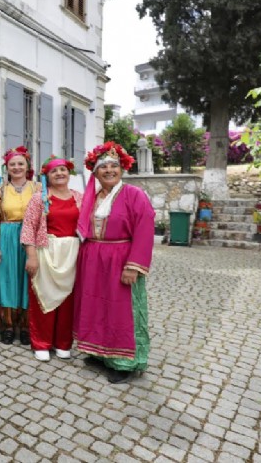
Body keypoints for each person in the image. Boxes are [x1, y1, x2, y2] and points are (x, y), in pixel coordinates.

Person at [73, 142, 154, 384]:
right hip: (94, 260)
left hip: (121, 258)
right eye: (103, 167)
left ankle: (124, 362)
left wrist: (133, 265)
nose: (109, 170)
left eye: (113, 166)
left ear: (122, 169)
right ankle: (99, 354)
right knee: (96, 306)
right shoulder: (93, 197)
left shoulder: (134, 195)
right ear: (95, 173)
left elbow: (145, 229)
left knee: (120, 310)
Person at [20, 156, 83, 362]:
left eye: (63, 170)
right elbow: (29, 226)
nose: (59, 174)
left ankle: (63, 342)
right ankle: (41, 342)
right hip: (46, 250)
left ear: (69, 173)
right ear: (47, 175)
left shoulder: (79, 197)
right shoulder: (40, 198)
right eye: (54, 171)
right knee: (42, 296)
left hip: (71, 253)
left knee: (67, 299)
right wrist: (31, 256)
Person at [0, 146, 39, 345]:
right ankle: (7, 325)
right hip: (6, 237)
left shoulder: (38, 189)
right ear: (6, 167)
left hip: (30, 239)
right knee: (7, 281)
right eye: (12, 164)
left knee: (28, 281)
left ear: (27, 166)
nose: (16, 167)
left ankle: (26, 325)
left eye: (20, 164)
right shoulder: (0, 190)